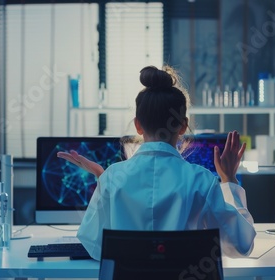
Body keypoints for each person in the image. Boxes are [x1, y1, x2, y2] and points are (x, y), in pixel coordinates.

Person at [57, 65, 256, 260]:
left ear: (137, 125)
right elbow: (241, 244)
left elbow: (93, 244)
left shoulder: (112, 177)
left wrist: (105, 179)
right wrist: (229, 181)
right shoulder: (202, 181)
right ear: (183, 126)